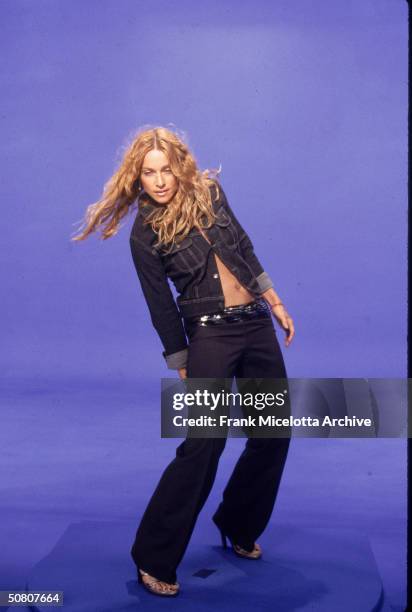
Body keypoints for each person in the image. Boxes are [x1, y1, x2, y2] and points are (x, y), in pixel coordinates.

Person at [72, 125, 295, 597]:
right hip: (208, 334)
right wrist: (181, 361)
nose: (158, 181)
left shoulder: (211, 193)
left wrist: (276, 303)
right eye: (148, 173)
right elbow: (160, 304)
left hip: (255, 322)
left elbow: (244, 246)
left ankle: (237, 520)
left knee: (273, 431)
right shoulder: (144, 234)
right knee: (204, 443)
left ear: (180, 166)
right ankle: (153, 556)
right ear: (138, 177)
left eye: (165, 170)